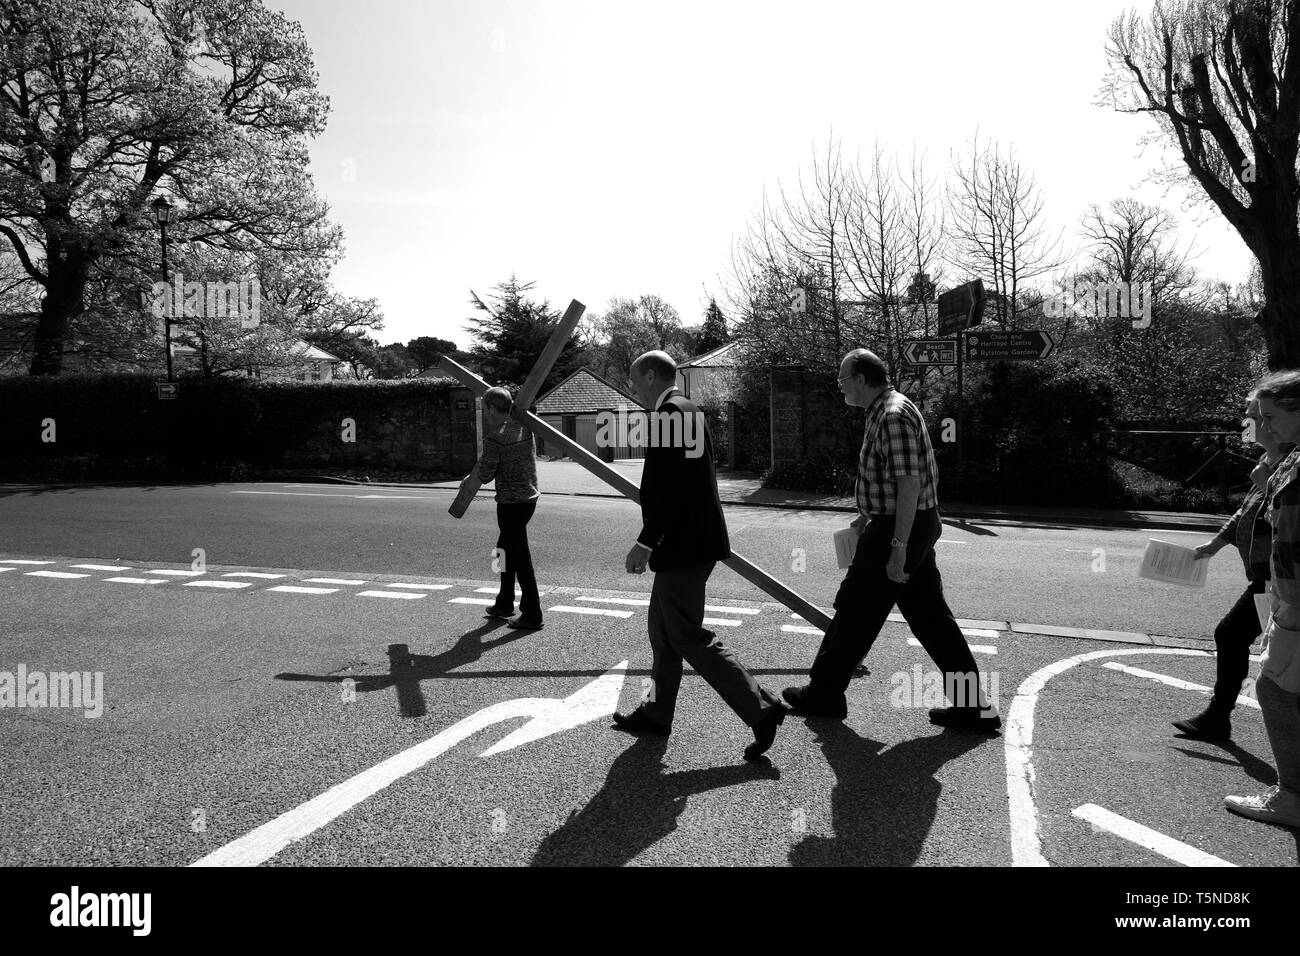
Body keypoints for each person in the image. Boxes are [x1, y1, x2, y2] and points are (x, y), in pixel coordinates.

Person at [783, 348, 999, 732]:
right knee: (931, 619)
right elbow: (890, 479)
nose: (840, 386)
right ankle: (975, 708)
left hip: (900, 529)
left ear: (861, 379)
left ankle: (824, 694)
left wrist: (897, 548)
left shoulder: (892, 416)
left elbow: (909, 485)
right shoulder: (883, 410)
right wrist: (864, 515)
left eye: (842, 379)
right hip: (902, 525)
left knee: (854, 610)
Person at [612, 350, 787, 761]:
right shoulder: (688, 410)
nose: (633, 389)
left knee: (685, 634)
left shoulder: (670, 415)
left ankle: (761, 708)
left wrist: (645, 542)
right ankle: (656, 712)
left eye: (635, 380)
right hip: (692, 541)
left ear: (652, 376)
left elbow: (669, 491)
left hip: (682, 545)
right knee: (663, 633)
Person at [1180, 393, 1286, 740]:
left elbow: (1285, 518)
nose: (1248, 422)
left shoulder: (1287, 462)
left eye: (1256, 416)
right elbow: (1246, 510)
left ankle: (1217, 717)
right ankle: (1217, 717)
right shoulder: (1269, 458)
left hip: (1280, 578)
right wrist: (1214, 545)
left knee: (1234, 636)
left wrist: (1267, 484)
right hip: (1268, 576)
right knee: (1237, 637)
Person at [1225, 370, 1300, 828]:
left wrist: (1287, 608)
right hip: (1285, 595)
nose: (1261, 427)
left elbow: (1290, 542)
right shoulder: (1290, 458)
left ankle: (1291, 797)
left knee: (1274, 691)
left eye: (1270, 417)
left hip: (1295, 601)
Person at [476, 386, 543, 630]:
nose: (485, 414)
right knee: (502, 551)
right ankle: (504, 602)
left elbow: (484, 475)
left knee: (519, 557)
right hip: (529, 500)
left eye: (485, 409)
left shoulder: (495, 438)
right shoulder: (525, 428)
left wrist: (474, 471)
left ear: (493, 409)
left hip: (510, 504)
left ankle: (532, 613)